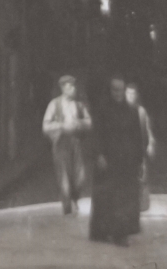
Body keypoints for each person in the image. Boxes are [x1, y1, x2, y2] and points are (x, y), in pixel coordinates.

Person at [88, 76, 145, 246]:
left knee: (125, 197)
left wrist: (140, 160)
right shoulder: (102, 109)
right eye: (115, 90)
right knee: (106, 196)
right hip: (108, 159)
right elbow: (96, 134)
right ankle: (102, 232)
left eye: (121, 90)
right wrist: (98, 155)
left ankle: (121, 232)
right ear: (110, 90)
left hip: (127, 160)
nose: (118, 93)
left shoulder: (132, 110)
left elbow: (137, 136)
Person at [42, 74, 92, 215]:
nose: (73, 89)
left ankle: (75, 198)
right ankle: (67, 208)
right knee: (64, 178)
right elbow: (45, 126)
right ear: (63, 88)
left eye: (74, 86)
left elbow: (89, 122)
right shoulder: (54, 104)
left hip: (76, 143)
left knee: (80, 176)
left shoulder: (79, 105)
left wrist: (79, 123)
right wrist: (62, 126)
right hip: (60, 144)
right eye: (70, 86)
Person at [125, 81, 157, 221]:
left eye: (133, 94)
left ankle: (141, 206)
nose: (130, 96)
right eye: (128, 93)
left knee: (141, 178)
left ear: (136, 95)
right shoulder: (118, 111)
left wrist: (151, 143)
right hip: (124, 151)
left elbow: (149, 130)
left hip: (139, 150)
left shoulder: (141, 111)